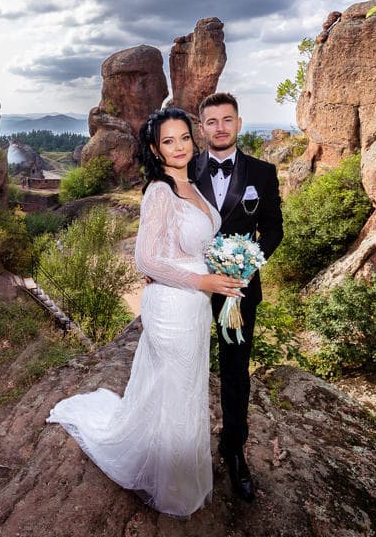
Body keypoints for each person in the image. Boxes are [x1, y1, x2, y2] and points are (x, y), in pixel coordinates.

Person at [46, 107, 245, 518]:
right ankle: (170, 482)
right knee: (175, 383)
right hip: (172, 306)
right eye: (168, 141)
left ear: (194, 139)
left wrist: (223, 267)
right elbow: (146, 260)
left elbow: (194, 246)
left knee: (185, 384)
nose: (178, 147)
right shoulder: (159, 192)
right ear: (155, 149)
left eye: (184, 138)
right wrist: (203, 281)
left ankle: (175, 466)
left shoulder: (195, 187)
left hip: (195, 307)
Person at [193, 92, 283, 501]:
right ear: (202, 127)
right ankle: (182, 445)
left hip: (240, 291)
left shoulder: (263, 173)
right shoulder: (182, 170)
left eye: (227, 120)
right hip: (191, 290)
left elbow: (274, 229)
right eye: (211, 121)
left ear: (239, 123)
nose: (220, 128)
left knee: (234, 370)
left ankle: (234, 448)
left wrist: (243, 267)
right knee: (186, 365)